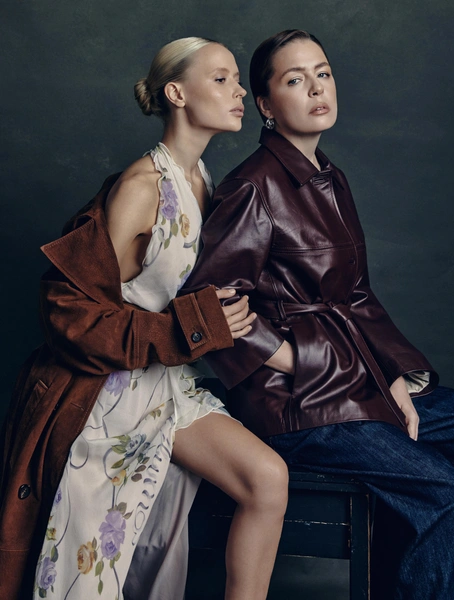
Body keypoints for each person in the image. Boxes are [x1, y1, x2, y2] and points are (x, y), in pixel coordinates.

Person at [182, 30, 454, 599]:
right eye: (296, 80)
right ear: (266, 105)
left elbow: (358, 296)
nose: (317, 88)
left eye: (323, 73)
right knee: (446, 496)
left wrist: (394, 376)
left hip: (356, 380)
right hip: (299, 404)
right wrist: (300, 361)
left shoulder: (329, 177)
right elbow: (208, 305)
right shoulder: (253, 187)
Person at [0, 37, 288, 600]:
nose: (239, 92)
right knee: (88, 573)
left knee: (267, 478)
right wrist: (193, 326)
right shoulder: (140, 188)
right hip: (112, 393)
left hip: (171, 384)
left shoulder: (203, 180)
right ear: (177, 93)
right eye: (222, 79)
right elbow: (73, 312)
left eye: (237, 79)